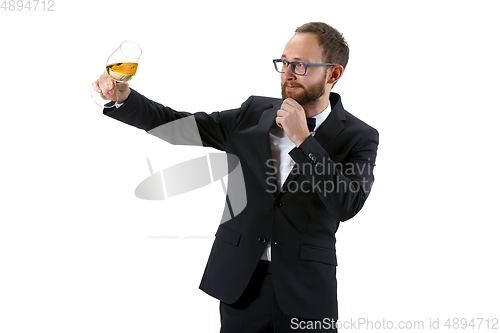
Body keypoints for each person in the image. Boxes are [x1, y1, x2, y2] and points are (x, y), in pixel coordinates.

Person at [93, 22, 379, 333]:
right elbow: (180, 127)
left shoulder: (359, 136)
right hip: (242, 283)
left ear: (333, 74)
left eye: (300, 65)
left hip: (307, 291)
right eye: (284, 63)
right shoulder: (254, 113)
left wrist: (304, 140)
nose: (288, 73)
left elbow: (347, 203)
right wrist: (124, 98)